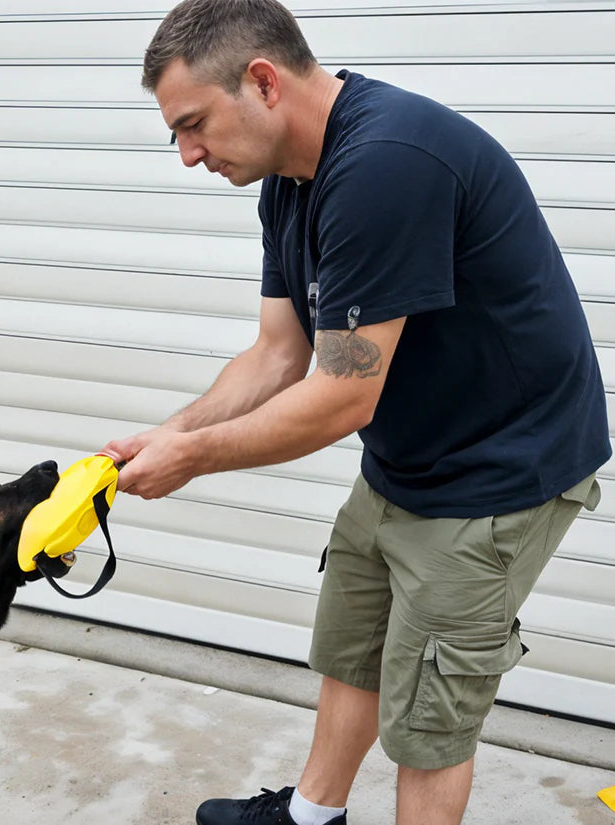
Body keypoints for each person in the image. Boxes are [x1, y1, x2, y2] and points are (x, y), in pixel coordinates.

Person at [100, 2, 611, 824]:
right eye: (176, 136)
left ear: (262, 82)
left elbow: (343, 392)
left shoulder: (384, 166)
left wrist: (193, 461)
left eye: (193, 125)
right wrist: (175, 432)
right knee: (354, 642)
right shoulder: (290, 186)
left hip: (497, 474)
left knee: (430, 719)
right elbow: (277, 352)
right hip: (411, 453)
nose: (188, 155)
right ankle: (311, 817)